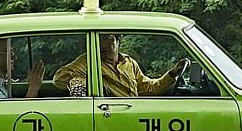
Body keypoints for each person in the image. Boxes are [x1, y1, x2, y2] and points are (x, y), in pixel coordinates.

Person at [53, 33, 188, 97]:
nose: (103, 44)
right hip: (110, 112)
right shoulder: (88, 61)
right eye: (99, 39)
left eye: (108, 38)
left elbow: (148, 88)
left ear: (118, 40)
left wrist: (172, 73)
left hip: (133, 111)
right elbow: (59, 78)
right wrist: (87, 82)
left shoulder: (129, 63)